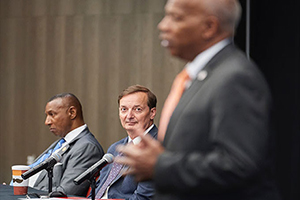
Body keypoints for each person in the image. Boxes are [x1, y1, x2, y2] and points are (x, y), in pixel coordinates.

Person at [115, 0, 282, 200]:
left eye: (176, 17)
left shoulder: (235, 77)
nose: (163, 25)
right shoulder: (199, 77)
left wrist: (160, 165)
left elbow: (239, 164)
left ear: (209, 27)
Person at [28, 93, 104, 196]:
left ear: (72, 113)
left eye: (52, 114)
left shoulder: (87, 147)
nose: (47, 122)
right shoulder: (61, 143)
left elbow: (65, 193)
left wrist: (25, 192)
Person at [92, 85, 158, 199]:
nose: (129, 116)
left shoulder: (157, 146)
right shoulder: (115, 148)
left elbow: (144, 198)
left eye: (137, 109)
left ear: (152, 113)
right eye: (124, 109)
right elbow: (98, 190)